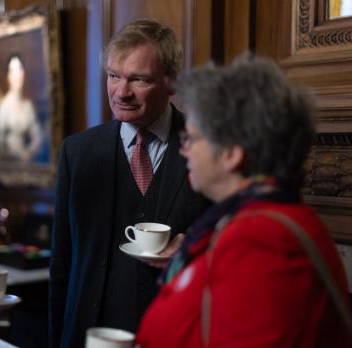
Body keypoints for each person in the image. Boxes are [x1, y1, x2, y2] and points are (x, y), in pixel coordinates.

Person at [136, 56, 352, 347]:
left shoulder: (263, 241)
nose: (184, 150)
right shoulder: (254, 221)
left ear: (230, 153)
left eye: (192, 138)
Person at [49, 19, 210, 348]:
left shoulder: (209, 149)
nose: (121, 92)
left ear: (172, 82)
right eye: (113, 76)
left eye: (139, 79)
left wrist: (194, 250)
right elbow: (62, 263)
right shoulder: (76, 153)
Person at [0, 54, 42, 161]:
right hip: (9, 165)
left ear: (23, 74)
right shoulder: (4, 107)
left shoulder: (28, 106)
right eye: (12, 71)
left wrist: (28, 152)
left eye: (19, 69)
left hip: (27, 163)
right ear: (8, 76)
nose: (17, 75)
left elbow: (38, 137)